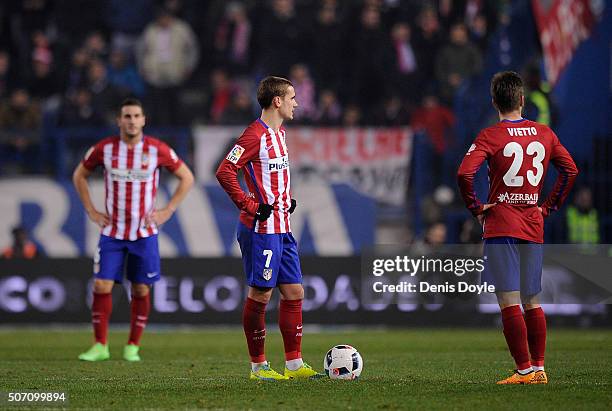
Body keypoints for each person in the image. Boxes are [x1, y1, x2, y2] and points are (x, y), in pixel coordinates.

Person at [457, 71, 578, 384]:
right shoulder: (544, 133)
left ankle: (523, 370)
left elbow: (464, 174)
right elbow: (570, 170)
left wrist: (475, 208)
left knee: (509, 300)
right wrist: (548, 206)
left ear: (494, 101)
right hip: (533, 224)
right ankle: (538, 368)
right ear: (523, 100)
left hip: (502, 223)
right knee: (532, 300)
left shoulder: (490, 136)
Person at [216, 76, 323, 381]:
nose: (296, 102)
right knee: (261, 295)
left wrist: (284, 199)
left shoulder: (280, 134)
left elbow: (270, 176)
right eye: (292, 97)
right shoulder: (254, 135)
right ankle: (258, 366)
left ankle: (294, 364)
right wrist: (249, 204)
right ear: (277, 101)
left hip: (282, 226)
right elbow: (225, 171)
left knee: (294, 291)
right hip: (260, 229)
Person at [73, 98, 194, 362]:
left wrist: (168, 209)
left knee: (140, 289)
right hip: (112, 233)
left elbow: (187, 176)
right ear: (119, 120)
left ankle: (132, 346)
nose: (131, 120)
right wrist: (91, 210)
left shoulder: (156, 149)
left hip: (144, 234)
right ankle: (100, 346)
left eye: (136, 115)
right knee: (102, 284)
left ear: (143, 120)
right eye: (126, 116)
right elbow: (79, 175)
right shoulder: (104, 149)